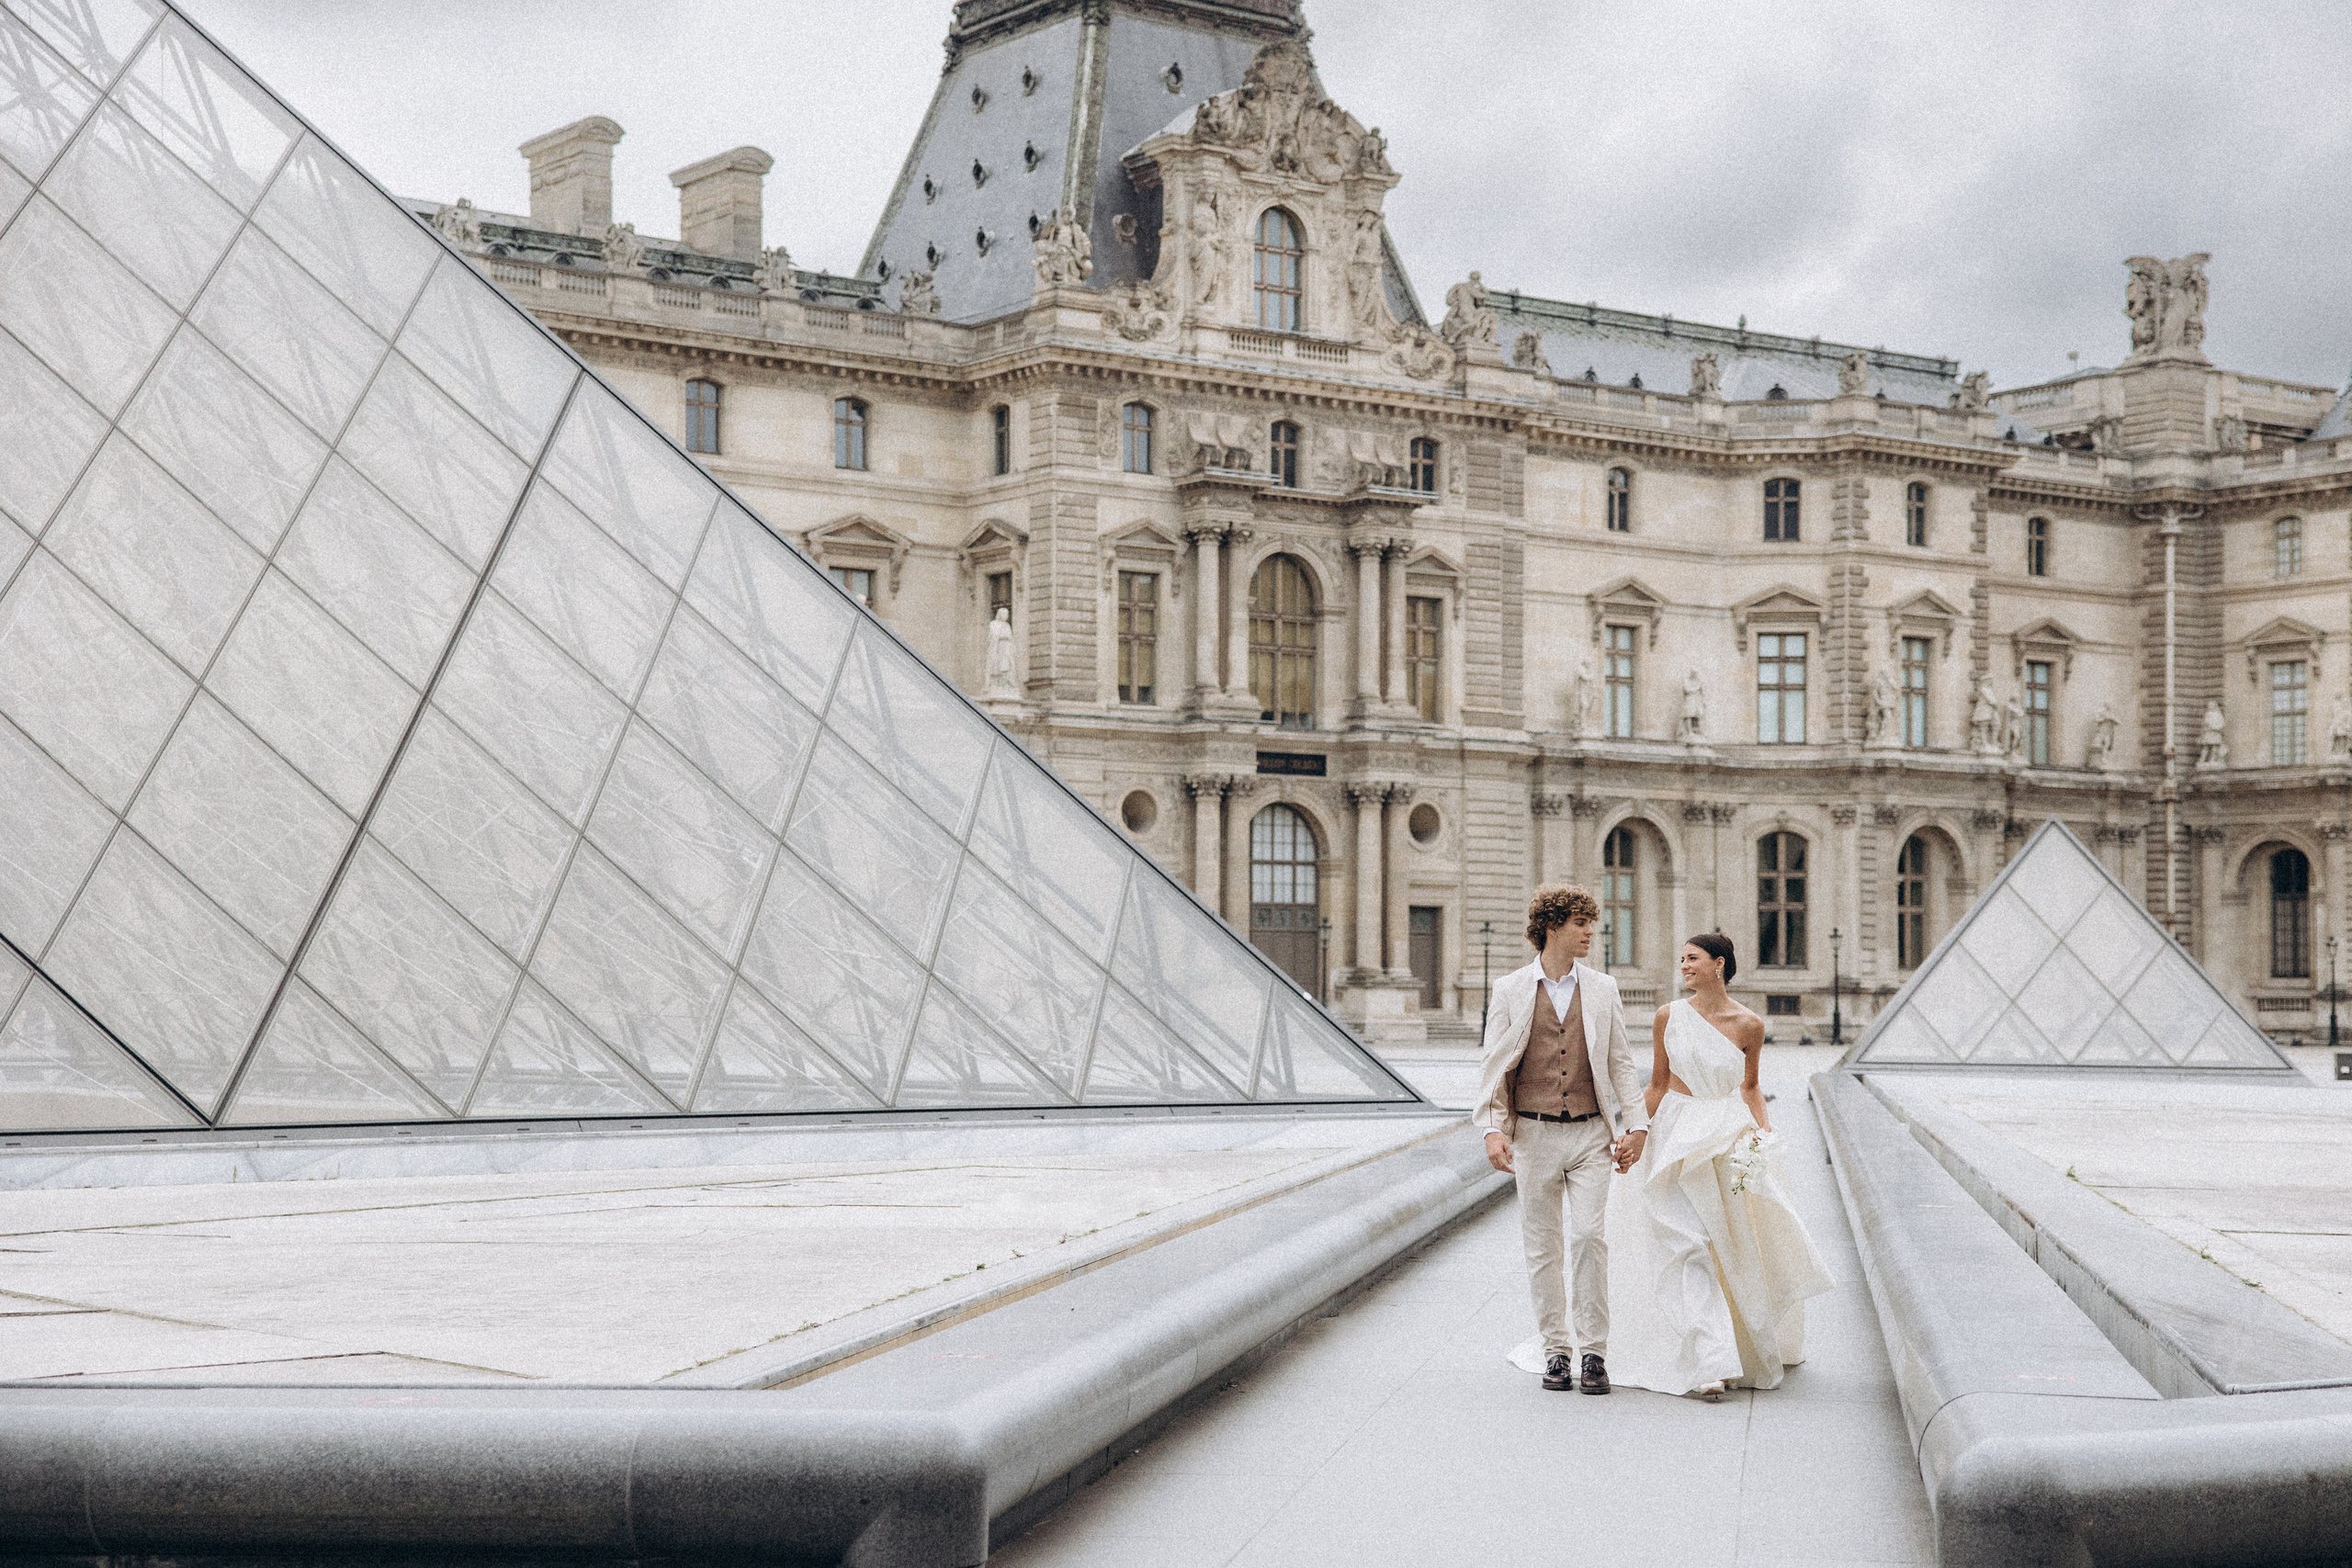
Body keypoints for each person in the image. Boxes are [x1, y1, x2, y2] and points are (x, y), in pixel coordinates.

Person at [1597, 933, 1831, 1398]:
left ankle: (1722, 1350)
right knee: (1689, 1244)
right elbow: (1658, 1083)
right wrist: (1633, 1131)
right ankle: (1710, 1362)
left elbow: (1749, 1088)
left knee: (1727, 1245)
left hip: (1726, 1136)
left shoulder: (1750, 1025)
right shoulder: (1669, 1016)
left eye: (1692, 958)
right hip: (1676, 1134)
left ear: (1718, 964)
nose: (1683, 965)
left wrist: (1764, 1135)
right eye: (1680, 958)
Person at [1473, 886, 1647, 1393]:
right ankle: (1556, 1351)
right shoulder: (1509, 990)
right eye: (1580, 922)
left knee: (1591, 1237)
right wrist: (1491, 1129)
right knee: (1542, 1248)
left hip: (1593, 1133)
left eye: (1591, 922)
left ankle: (1594, 1353)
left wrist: (1637, 1125)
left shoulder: (1603, 988)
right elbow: (1493, 1067)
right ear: (1551, 926)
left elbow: (1620, 1062)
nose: (1591, 931)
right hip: (1532, 1133)